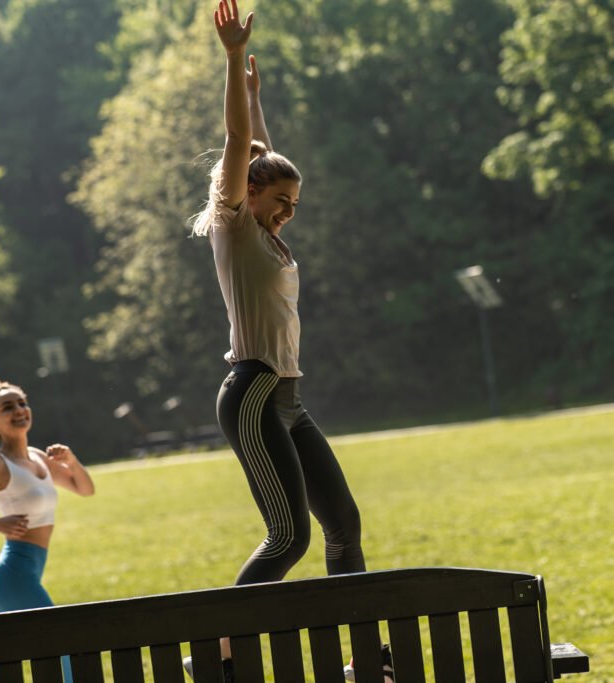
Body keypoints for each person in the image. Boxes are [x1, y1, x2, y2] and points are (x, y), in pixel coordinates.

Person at [187, 2, 392, 681]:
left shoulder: (268, 240)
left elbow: (258, 150)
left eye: (294, 205)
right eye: (279, 199)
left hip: (288, 399)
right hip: (250, 391)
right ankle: (212, 652)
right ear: (246, 191)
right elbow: (240, 144)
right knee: (290, 535)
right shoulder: (235, 225)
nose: (286, 212)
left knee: (343, 522)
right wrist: (230, 70)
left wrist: (255, 94)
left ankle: (364, 657)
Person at [0, 377, 95, 682]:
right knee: (61, 641)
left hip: (21, 571)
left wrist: (72, 461)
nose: (19, 410)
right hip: (12, 572)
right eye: (7, 407)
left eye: (22, 403)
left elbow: (84, 488)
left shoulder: (38, 456)